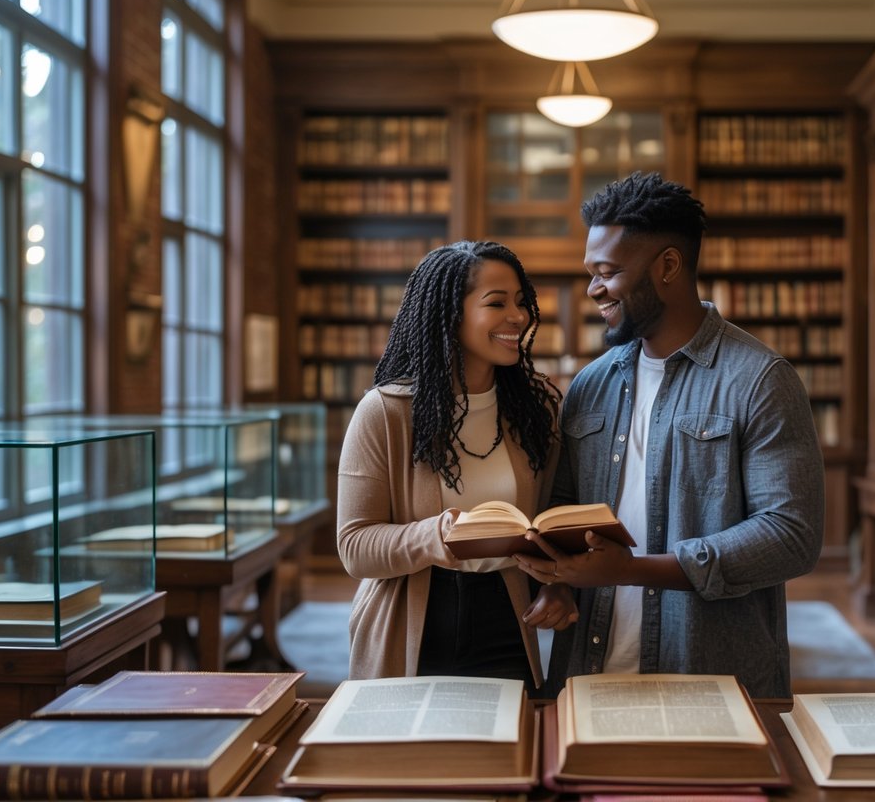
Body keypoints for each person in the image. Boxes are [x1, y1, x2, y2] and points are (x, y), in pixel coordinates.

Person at [515, 172, 825, 699]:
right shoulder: (591, 385)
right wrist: (559, 579)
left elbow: (790, 536)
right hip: (588, 673)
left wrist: (634, 570)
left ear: (668, 266)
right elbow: (566, 506)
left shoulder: (760, 380)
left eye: (608, 272)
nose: (593, 289)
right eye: (591, 273)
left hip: (712, 678)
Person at [337, 239, 576, 692]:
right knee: (412, 759)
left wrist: (560, 584)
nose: (518, 317)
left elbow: (549, 524)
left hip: (507, 618)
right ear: (451, 313)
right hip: (410, 619)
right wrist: (436, 535)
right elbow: (354, 545)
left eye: (522, 303)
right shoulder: (386, 413)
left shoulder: (538, 409)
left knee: (510, 753)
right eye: (496, 303)